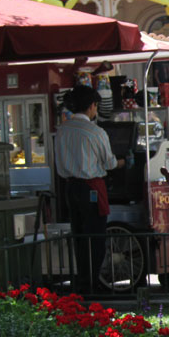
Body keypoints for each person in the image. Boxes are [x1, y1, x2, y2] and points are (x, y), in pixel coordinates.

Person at [54, 86, 127, 293]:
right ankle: (94, 283)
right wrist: (123, 162)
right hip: (91, 188)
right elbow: (109, 163)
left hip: (70, 188)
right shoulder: (95, 132)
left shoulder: (62, 131)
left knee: (79, 236)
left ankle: (82, 281)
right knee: (95, 237)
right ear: (92, 106)